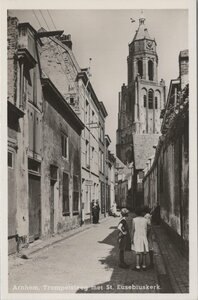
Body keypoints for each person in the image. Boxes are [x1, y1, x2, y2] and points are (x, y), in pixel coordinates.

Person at [131, 206, 149, 271]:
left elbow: (133, 230)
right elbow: (146, 229)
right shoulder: (145, 220)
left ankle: (137, 266)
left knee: (137, 252)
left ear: (136, 213)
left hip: (137, 236)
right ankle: (144, 265)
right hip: (143, 236)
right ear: (142, 213)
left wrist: (132, 238)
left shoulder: (134, 220)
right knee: (144, 252)